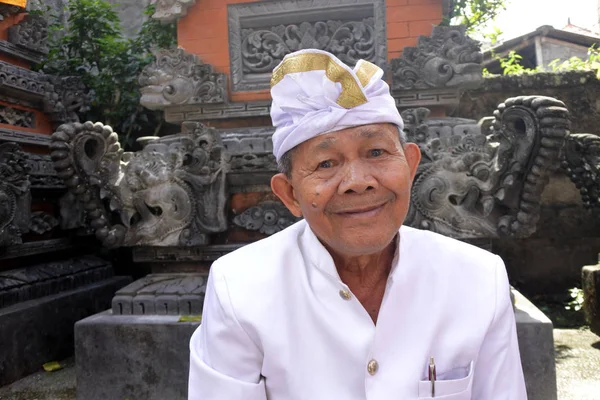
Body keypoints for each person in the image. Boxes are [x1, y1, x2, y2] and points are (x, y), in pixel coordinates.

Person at [188, 49, 527, 400]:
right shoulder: (239, 287)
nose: (358, 181)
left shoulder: (478, 277)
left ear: (411, 167)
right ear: (289, 194)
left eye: (376, 153)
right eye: (325, 163)